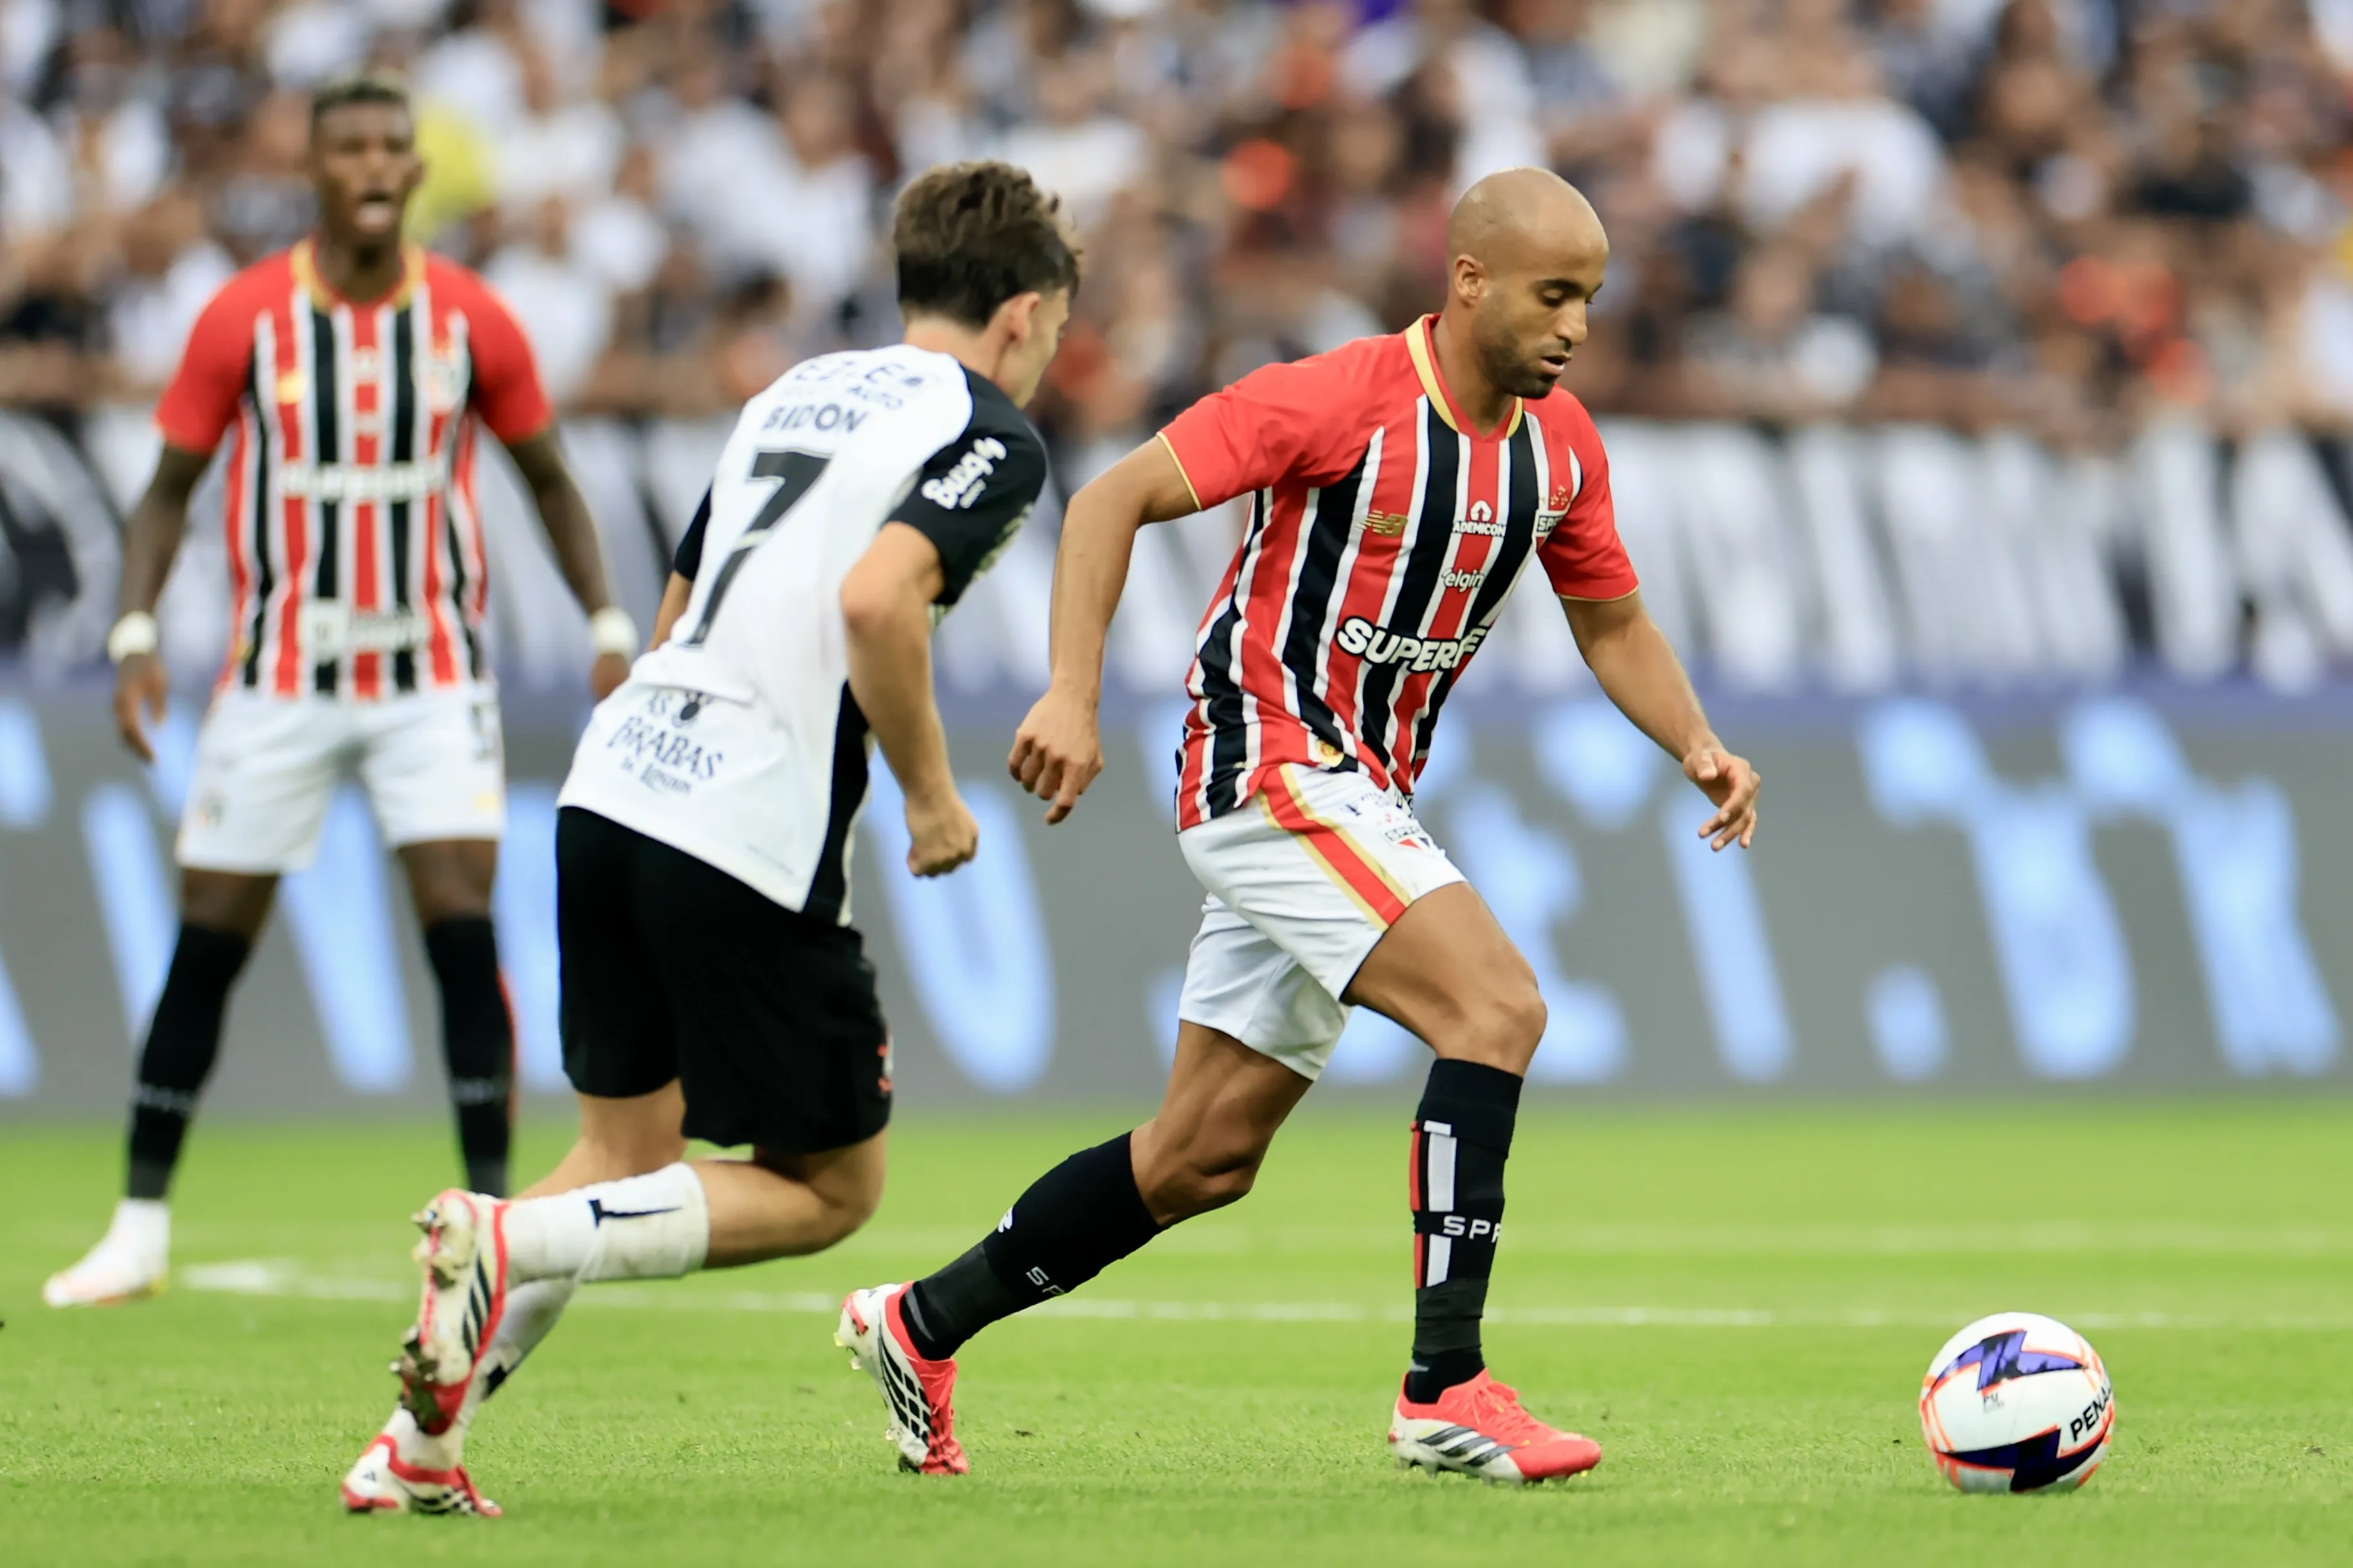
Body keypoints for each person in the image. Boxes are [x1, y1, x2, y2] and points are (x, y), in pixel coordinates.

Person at [837, 167, 1763, 1482]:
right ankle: (1445, 1384)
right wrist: (1071, 691)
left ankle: (920, 1321)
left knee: (1200, 1156)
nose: (1575, 324)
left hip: (1357, 791)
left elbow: (1610, 620)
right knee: (1494, 1008)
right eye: (1553, 294)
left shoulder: (1561, 451)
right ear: (1470, 280)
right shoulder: (1336, 398)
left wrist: (1697, 743)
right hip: (1266, 762)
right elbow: (1110, 501)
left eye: (1591, 300)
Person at [338, 159, 1079, 1515]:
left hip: (614, 778)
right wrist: (929, 795)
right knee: (829, 1187)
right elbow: (876, 601)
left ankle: (414, 1444)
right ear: (1024, 315)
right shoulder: (990, 429)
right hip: (739, 815)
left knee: (618, 1154)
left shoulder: (790, 391)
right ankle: (505, 1234)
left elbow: (683, 587)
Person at [44, 75, 634, 1310]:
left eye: (390, 147)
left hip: (430, 673)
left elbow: (550, 481)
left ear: (415, 172)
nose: (372, 165)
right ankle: (139, 1224)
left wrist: (607, 622)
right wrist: (138, 630)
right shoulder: (245, 319)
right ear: (314, 173)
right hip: (277, 676)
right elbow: (163, 493)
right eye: (349, 148)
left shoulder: (473, 319)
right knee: (208, 938)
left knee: (461, 928)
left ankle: (492, 1233)